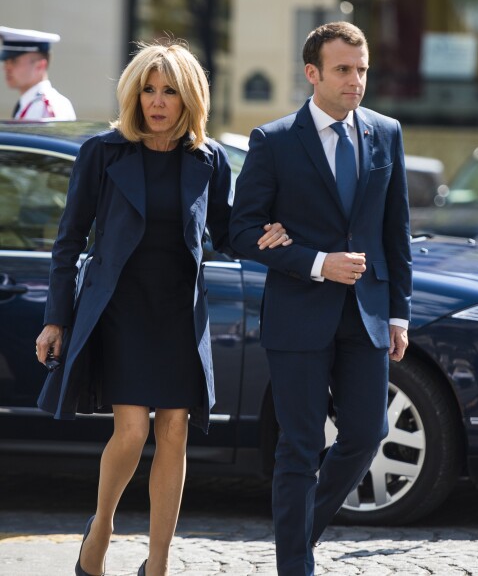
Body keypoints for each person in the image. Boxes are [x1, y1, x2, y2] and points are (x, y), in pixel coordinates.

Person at [34, 41, 289, 576]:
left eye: (169, 90)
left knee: (173, 428)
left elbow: (224, 232)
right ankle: (100, 529)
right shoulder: (103, 153)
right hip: (119, 308)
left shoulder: (209, 159)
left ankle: (158, 565)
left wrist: (266, 234)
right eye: (148, 89)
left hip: (179, 311)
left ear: (189, 97)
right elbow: (68, 240)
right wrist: (56, 318)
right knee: (130, 432)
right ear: (134, 94)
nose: (157, 100)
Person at [230, 22, 412, 575]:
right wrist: (313, 262)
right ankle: (295, 566)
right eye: (342, 70)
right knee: (300, 446)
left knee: (367, 433)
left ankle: (299, 536)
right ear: (313, 73)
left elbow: (394, 230)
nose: (356, 80)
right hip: (298, 315)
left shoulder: (386, 132)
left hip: (368, 314)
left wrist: (399, 312)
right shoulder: (274, 141)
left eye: (361, 70)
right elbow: (240, 232)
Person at [0, 26, 76, 120]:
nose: (6, 68)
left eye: (14, 61)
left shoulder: (48, 107)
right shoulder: (30, 103)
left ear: (40, 66)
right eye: (6, 62)